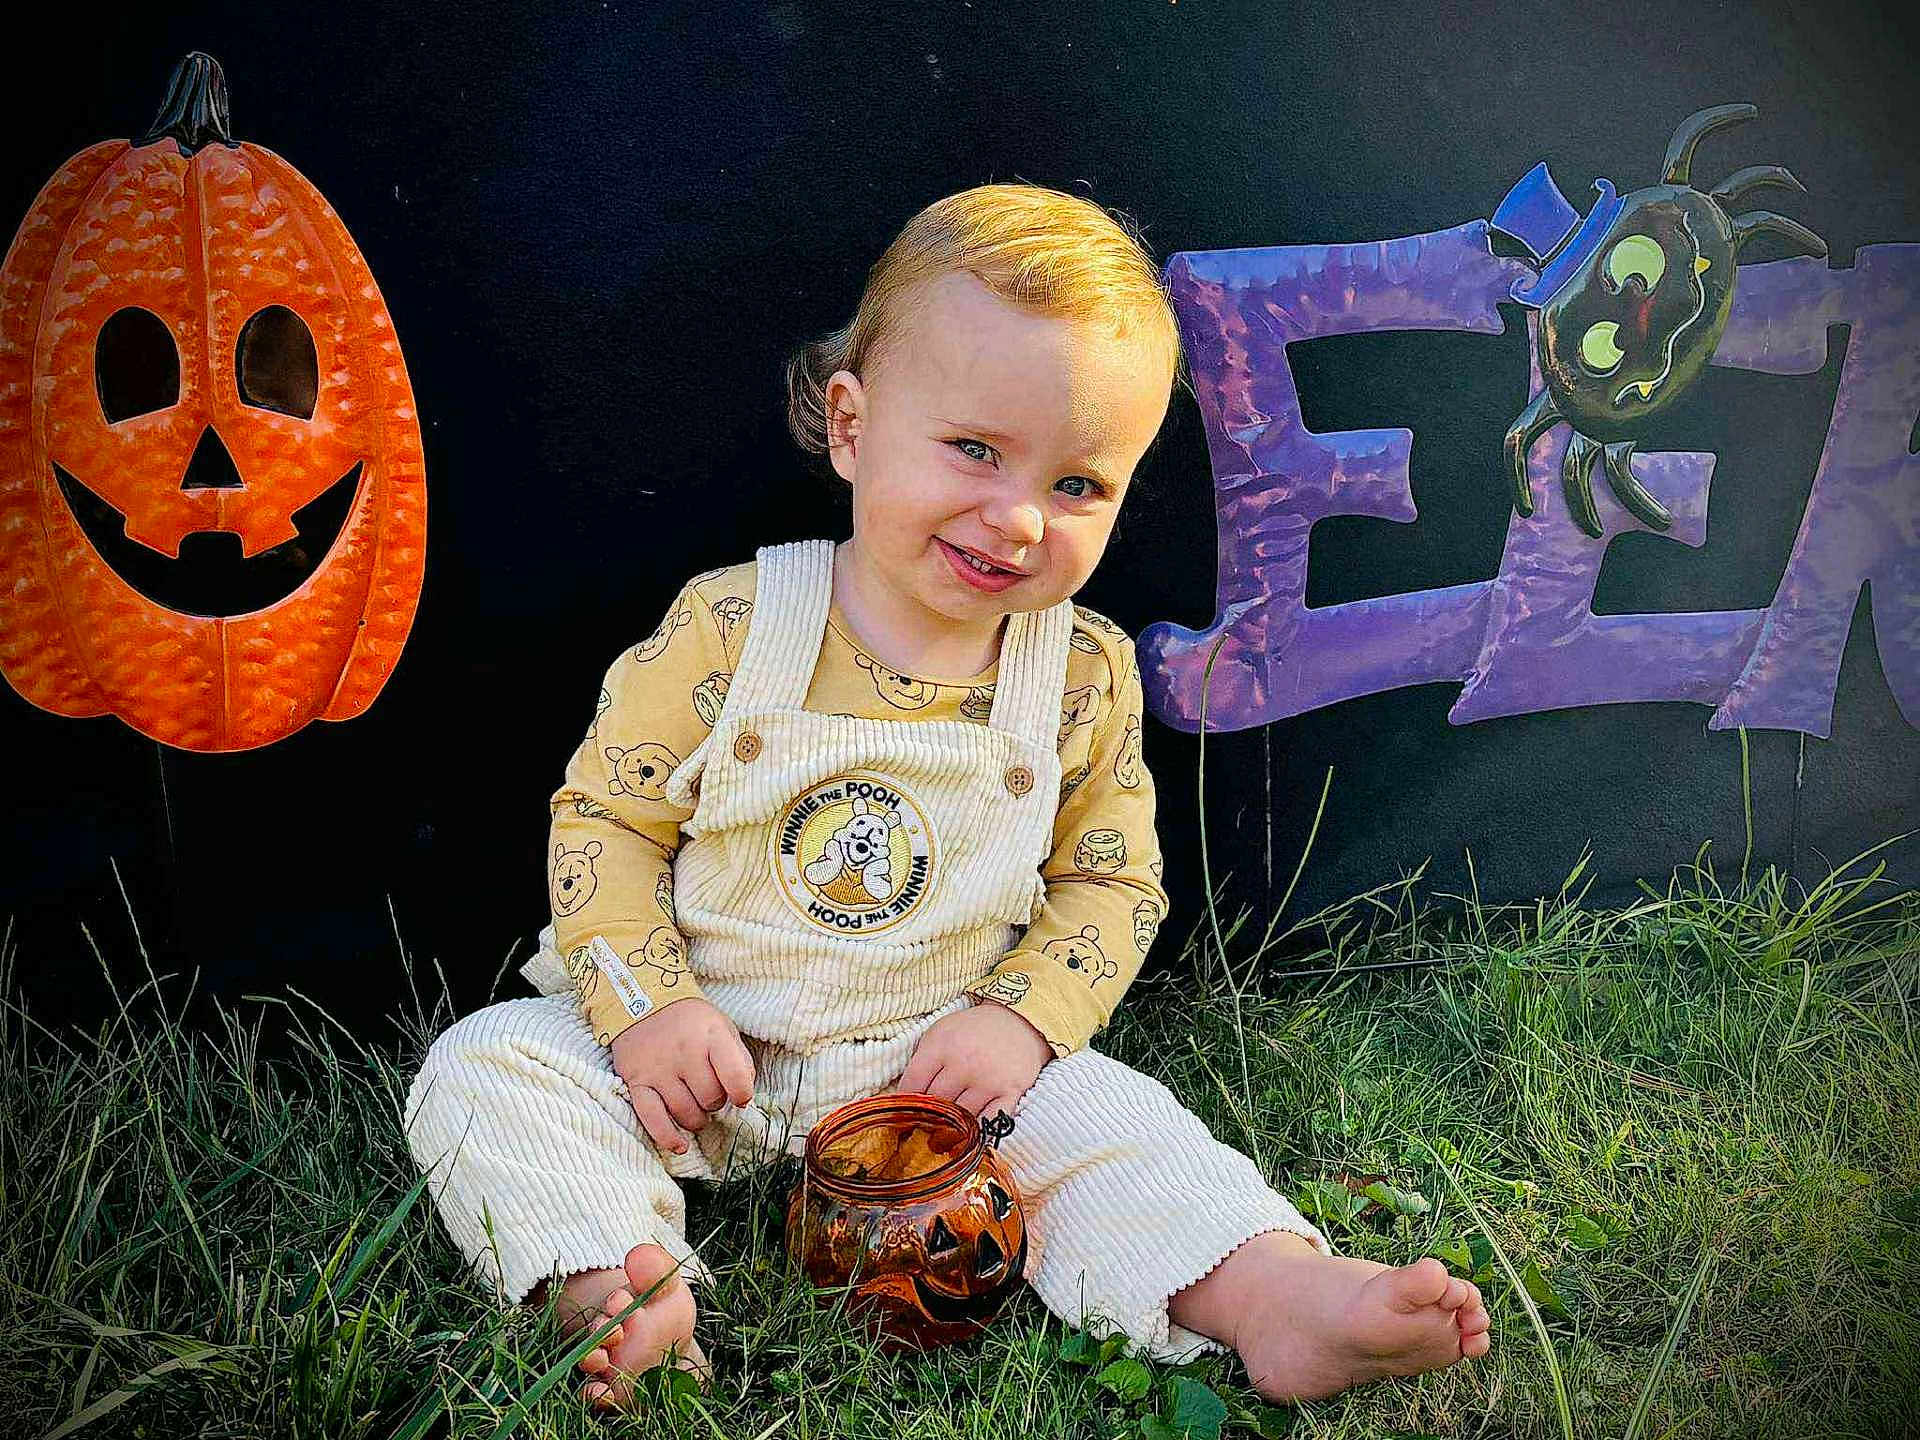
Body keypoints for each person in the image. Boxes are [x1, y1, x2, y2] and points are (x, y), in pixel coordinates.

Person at [405, 183, 1492, 1414]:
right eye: (974, 450)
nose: (1020, 516)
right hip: (696, 1057)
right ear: (855, 426)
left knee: (1114, 1124)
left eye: (1081, 483)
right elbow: (607, 818)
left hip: (941, 1075)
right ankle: (616, 1279)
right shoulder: (731, 626)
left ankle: (1273, 1294)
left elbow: (1111, 880)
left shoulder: (1078, 673)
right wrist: (648, 1004)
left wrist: (1020, 1026)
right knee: (486, 1067)